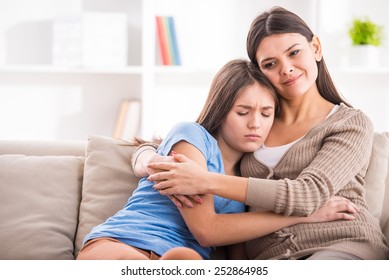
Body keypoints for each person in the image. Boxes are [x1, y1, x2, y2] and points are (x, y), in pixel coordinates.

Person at [133, 7, 389, 260]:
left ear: (316, 48)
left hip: (341, 245)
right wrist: (148, 158)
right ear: (259, 72)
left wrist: (203, 180)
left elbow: (307, 194)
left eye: (294, 52)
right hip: (272, 259)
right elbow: (185, 141)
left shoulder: (350, 124)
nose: (286, 68)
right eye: (270, 63)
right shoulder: (253, 125)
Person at [77, 59, 357, 260]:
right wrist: (303, 217)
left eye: (266, 113)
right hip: (125, 242)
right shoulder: (191, 137)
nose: (255, 124)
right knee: (176, 260)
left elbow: (236, 256)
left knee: (184, 260)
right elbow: (208, 231)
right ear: (221, 111)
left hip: (185, 261)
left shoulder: (248, 178)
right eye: (243, 111)